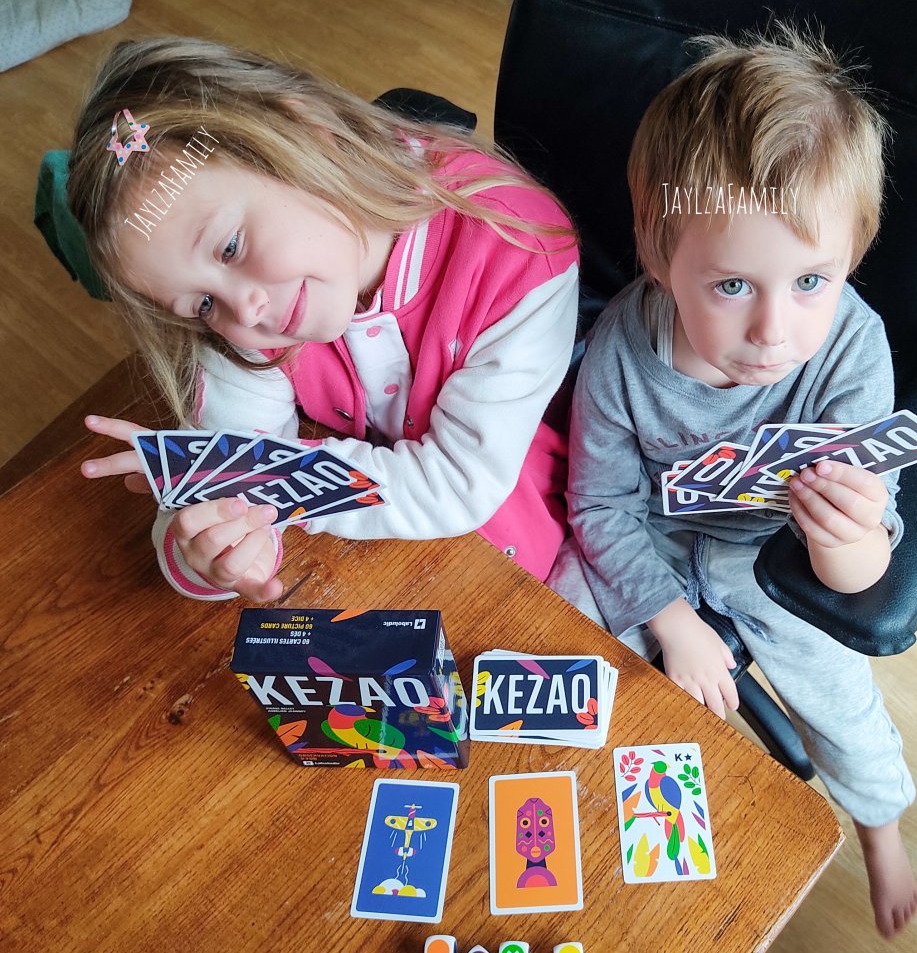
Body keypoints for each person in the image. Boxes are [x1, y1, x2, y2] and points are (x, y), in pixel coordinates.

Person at [549, 27, 917, 937]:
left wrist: (848, 539)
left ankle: (880, 826)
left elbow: (861, 574)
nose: (774, 331)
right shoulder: (622, 350)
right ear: (658, 256)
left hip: (775, 554)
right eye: (731, 287)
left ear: (852, 257)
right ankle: (571, 820)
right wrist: (668, 619)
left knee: (838, 697)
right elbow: (599, 502)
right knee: (557, 648)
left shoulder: (850, 350)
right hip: (654, 535)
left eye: (812, 280)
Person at [71, 38, 579, 601]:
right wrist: (212, 547)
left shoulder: (520, 249)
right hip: (368, 578)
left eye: (231, 246)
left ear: (305, 137)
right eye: (203, 304)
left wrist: (254, 476)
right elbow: (219, 481)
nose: (245, 310)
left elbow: (459, 484)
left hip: (539, 566)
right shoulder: (249, 316)